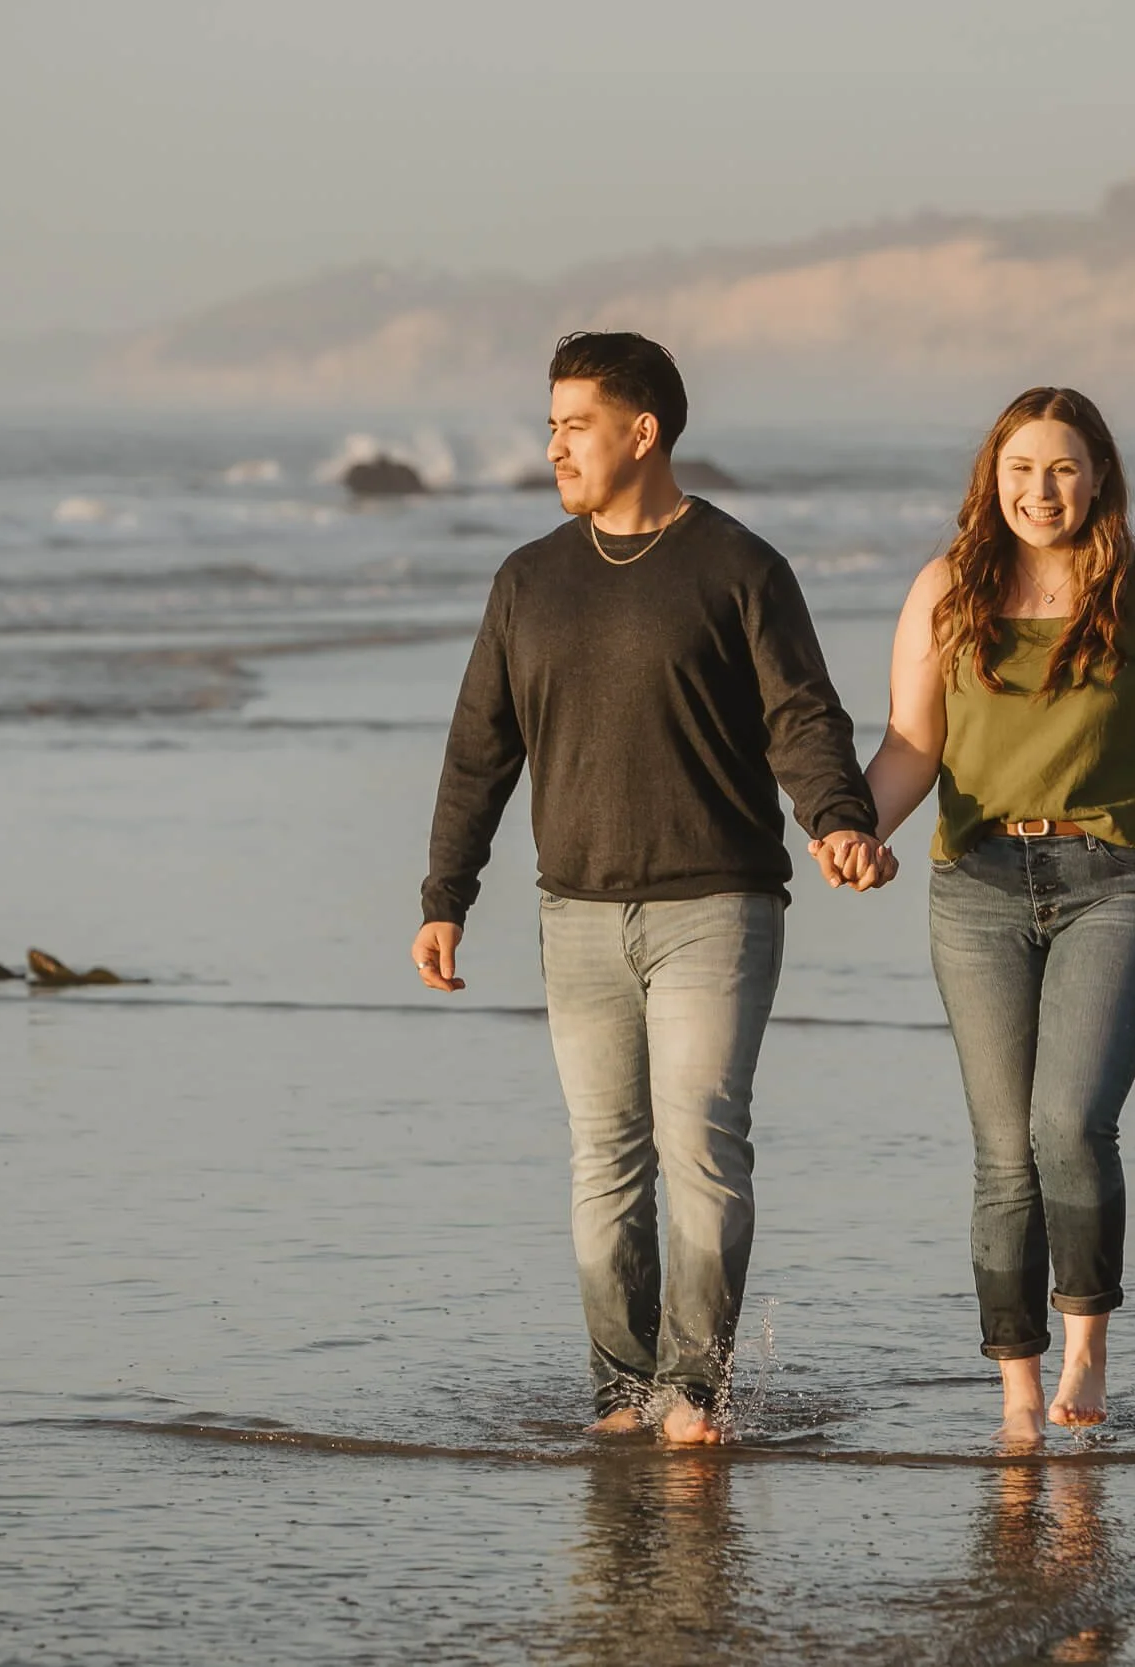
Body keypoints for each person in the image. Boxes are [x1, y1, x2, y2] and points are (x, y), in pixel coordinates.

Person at [413, 330, 888, 1444]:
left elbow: (801, 716)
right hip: (572, 911)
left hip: (715, 906)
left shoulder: (738, 566)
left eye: (573, 425)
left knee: (703, 1145)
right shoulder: (528, 579)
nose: (553, 447)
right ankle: (621, 1392)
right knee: (604, 1163)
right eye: (549, 426)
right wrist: (445, 894)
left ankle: (693, 1391)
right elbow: (479, 746)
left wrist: (838, 816)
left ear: (644, 431)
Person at [852, 386, 1135, 1445]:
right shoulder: (946, 588)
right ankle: (1017, 1386)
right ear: (993, 478)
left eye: (1062, 467)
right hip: (976, 884)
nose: (1041, 489)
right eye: (1020, 469)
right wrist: (855, 826)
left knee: (1068, 1125)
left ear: (1098, 474)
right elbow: (910, 747)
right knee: (1000, 1149)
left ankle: (1085, 1345)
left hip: (1122, 879)